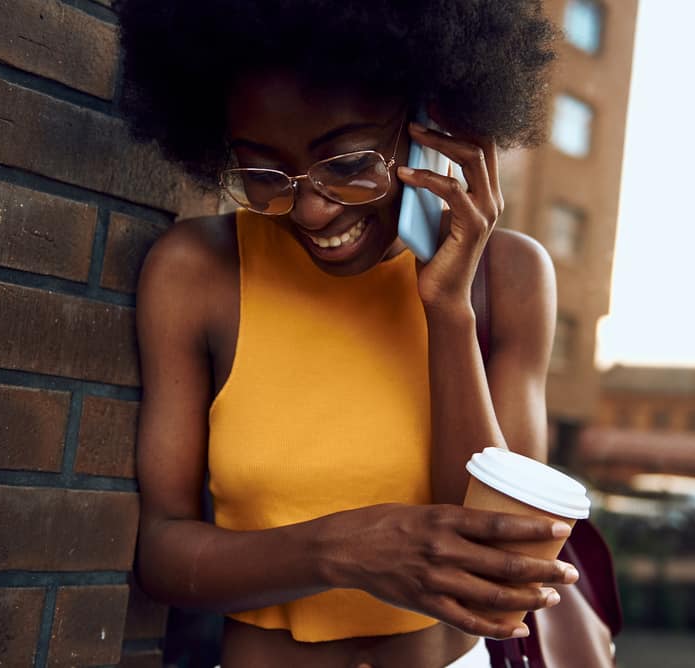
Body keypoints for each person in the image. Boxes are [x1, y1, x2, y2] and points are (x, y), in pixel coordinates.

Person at [114, 1, 578, 666]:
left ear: (431, 129)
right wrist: (345, 550)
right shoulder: (198, 273)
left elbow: (499, 564)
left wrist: (448, 311)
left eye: (348, 162)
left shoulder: (507, 279)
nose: (309, 207)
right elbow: (162, 552)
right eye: (265, 172)